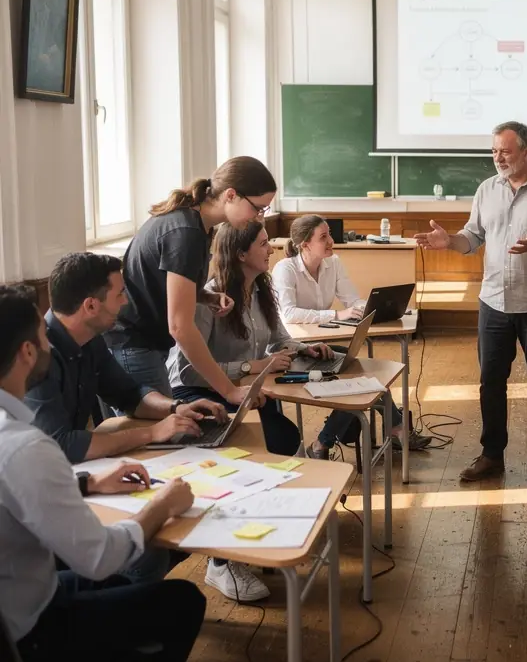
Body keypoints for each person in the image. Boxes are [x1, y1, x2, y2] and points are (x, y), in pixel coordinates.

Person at [0, 284, 206, 662]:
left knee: (114, 591)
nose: (50, 343)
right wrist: (163, 506)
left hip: (15, 609)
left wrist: (88, 484)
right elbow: (98, 556)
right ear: (27, 351)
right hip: (24, 647)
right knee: (182, 603)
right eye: (42, 336)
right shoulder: (27, 446)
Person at [168, 221, 340, 601]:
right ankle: (221, 562)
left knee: (283, 439)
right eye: (264, 244)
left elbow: (279, 338)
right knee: (273, 443)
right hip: (202, 393)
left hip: (244, 392)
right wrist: (250, 369)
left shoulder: (261, 289)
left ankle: (261, 529)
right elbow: (186, 369)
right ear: (241, 253)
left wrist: (302, 350)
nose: (271, 250)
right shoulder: (210, 298)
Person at [414, 121, 527, 488]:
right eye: (494, 151)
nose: (498, 158)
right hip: (493, 302)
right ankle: (492, 455)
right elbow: (472, 237)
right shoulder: (486, 190)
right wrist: (450, 242)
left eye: (505, 151)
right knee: (491, 382)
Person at [106, 156, 277, 407]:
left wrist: (206, 297)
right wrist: (229, 391)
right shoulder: (186, 233)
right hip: (134, 345)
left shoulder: (198, 224)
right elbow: (179, 327)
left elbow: (169, 286)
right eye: (257, 208)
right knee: (162, 439)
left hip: (143, 345)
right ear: (231, 195)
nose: (260, 217)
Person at [26, 252, 226, 463]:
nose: (125, 302)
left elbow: (129, 394)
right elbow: (61, 445)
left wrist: (176, 407)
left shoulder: (91, 339)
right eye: (119, 294)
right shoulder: (36, 355)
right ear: (91, 306)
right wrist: (150, 433)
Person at [272, 215, 424, 458]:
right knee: (363, 377)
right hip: (293, 351)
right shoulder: (285, 269)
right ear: (305, 244)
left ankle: (325, 445)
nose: (331, 240)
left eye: (329, 233)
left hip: (318, 346)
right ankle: (394, 430)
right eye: (323, 237)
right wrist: (335, 313)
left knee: (364, 373)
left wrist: (372, 307)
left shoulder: (334, 263)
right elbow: (288, 314)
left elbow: (352, 301)